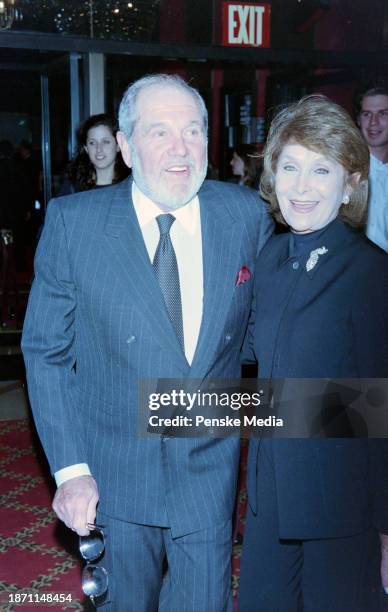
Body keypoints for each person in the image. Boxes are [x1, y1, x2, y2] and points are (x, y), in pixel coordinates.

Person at [21, 73, 273, 611]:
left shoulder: (245, 215)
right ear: (128, 146)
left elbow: (259, 340)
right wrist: (70, 471)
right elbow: (46, 353)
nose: (181, 149)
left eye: (192, 130)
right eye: (160, 133)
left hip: (208, 472)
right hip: (114, 475)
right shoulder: (75, 224)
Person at [238, 95, 388, 611]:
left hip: (340, 508)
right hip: (268, 500)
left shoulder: (371, 273)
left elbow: (381, 410)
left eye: (320, 170)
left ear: (349, 184)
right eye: (290, 167)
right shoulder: (272, 258)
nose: (302, 187)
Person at [59, 113, 128, 195]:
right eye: (92, 143)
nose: (99, 149)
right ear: (86, 149)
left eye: (105, 142)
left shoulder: (130, 187)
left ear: (118, 146)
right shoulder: (72, 188)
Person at [355, 82, 388, 252]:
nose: (374, 122)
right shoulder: (344, 169)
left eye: (383, 113)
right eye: (367, 114)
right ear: (359, 120)